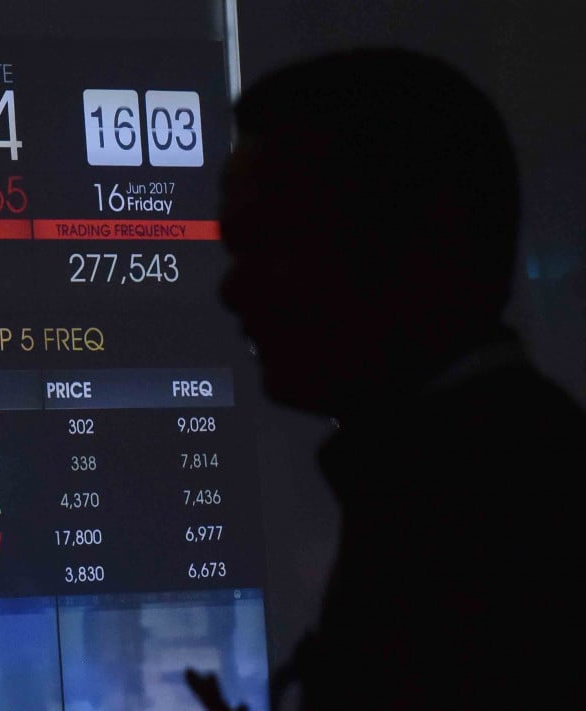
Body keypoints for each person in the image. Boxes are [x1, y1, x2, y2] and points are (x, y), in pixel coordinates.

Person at [188, 49, 586, 710]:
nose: (231, 290)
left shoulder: (481, 520)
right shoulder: (479, 476)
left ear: (388, 237)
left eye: (269, 242)